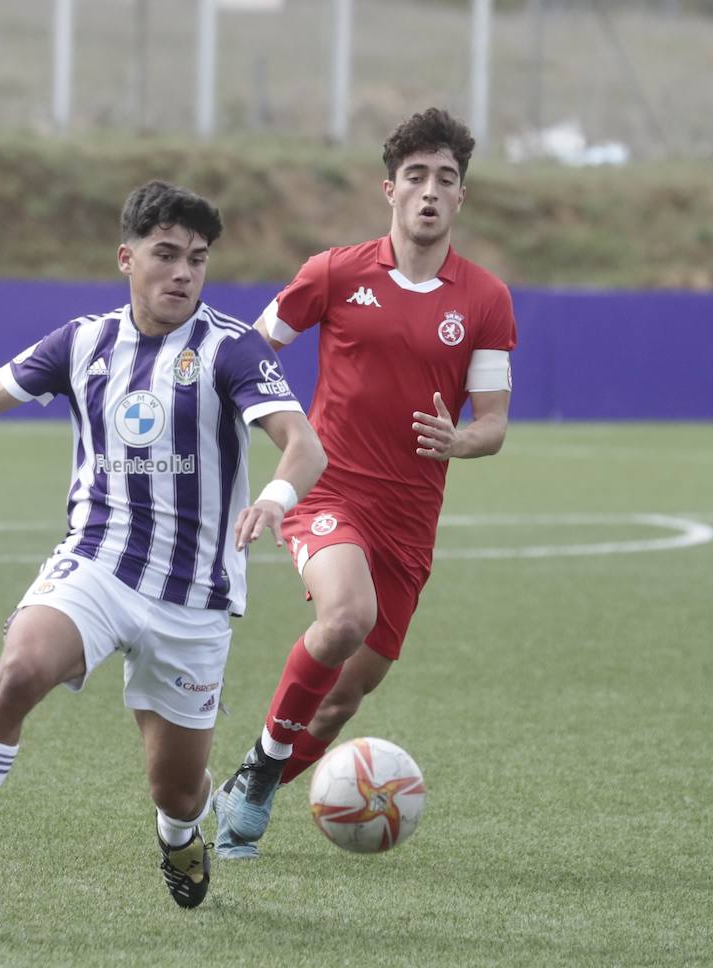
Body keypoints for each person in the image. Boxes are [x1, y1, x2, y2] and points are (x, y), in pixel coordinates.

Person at [0, 181, 326, 912]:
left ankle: (180, 839)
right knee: (19, 670)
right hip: (98, 564)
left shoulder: (231, 349)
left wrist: (273, 497)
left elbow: (302, 443)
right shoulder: (83, 343)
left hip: (193, 599)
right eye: (166, 256)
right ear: (125, 259)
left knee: (175, 791)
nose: (183, 273)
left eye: (197, 260)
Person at [211, 108, 517, 859]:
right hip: (330, 491)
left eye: (446, 179)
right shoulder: (335, 273)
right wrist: (272, 427)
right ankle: (254, 787)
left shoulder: (483, 299)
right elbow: (249, 350)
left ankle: (250, 779)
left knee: (343, 698)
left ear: (461, 199)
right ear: (390, 190)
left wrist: (460, 440)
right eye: (416, 177)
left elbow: (494, 424)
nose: (430, 192)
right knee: (344, 617)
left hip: (410, 520)